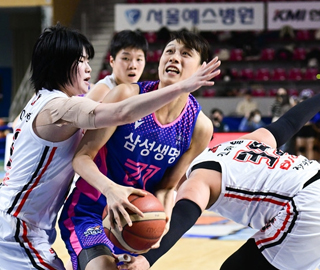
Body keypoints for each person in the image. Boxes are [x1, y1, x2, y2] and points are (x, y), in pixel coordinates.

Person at [0, 24, 220, 270]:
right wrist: (181, 86)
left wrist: (161, 219)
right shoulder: (62, 107)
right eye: (82, 61)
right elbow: (118, 114)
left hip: (127, 217)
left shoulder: (199, 126)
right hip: (57, 218)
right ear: (61, 66)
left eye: (185, 54)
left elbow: (168, 187)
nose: (89, 68)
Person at [119, 91, 320, 270]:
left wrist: (147, 259)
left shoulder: (198, 178)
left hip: (308, 205)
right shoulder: (246, 141)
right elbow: (290, 122)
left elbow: (182, 218)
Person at [87, 30, 148, 101]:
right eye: (126, 58)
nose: (133, 66)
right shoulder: (102, 91)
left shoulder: (141, 90)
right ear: (112, 61)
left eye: (139, 59)